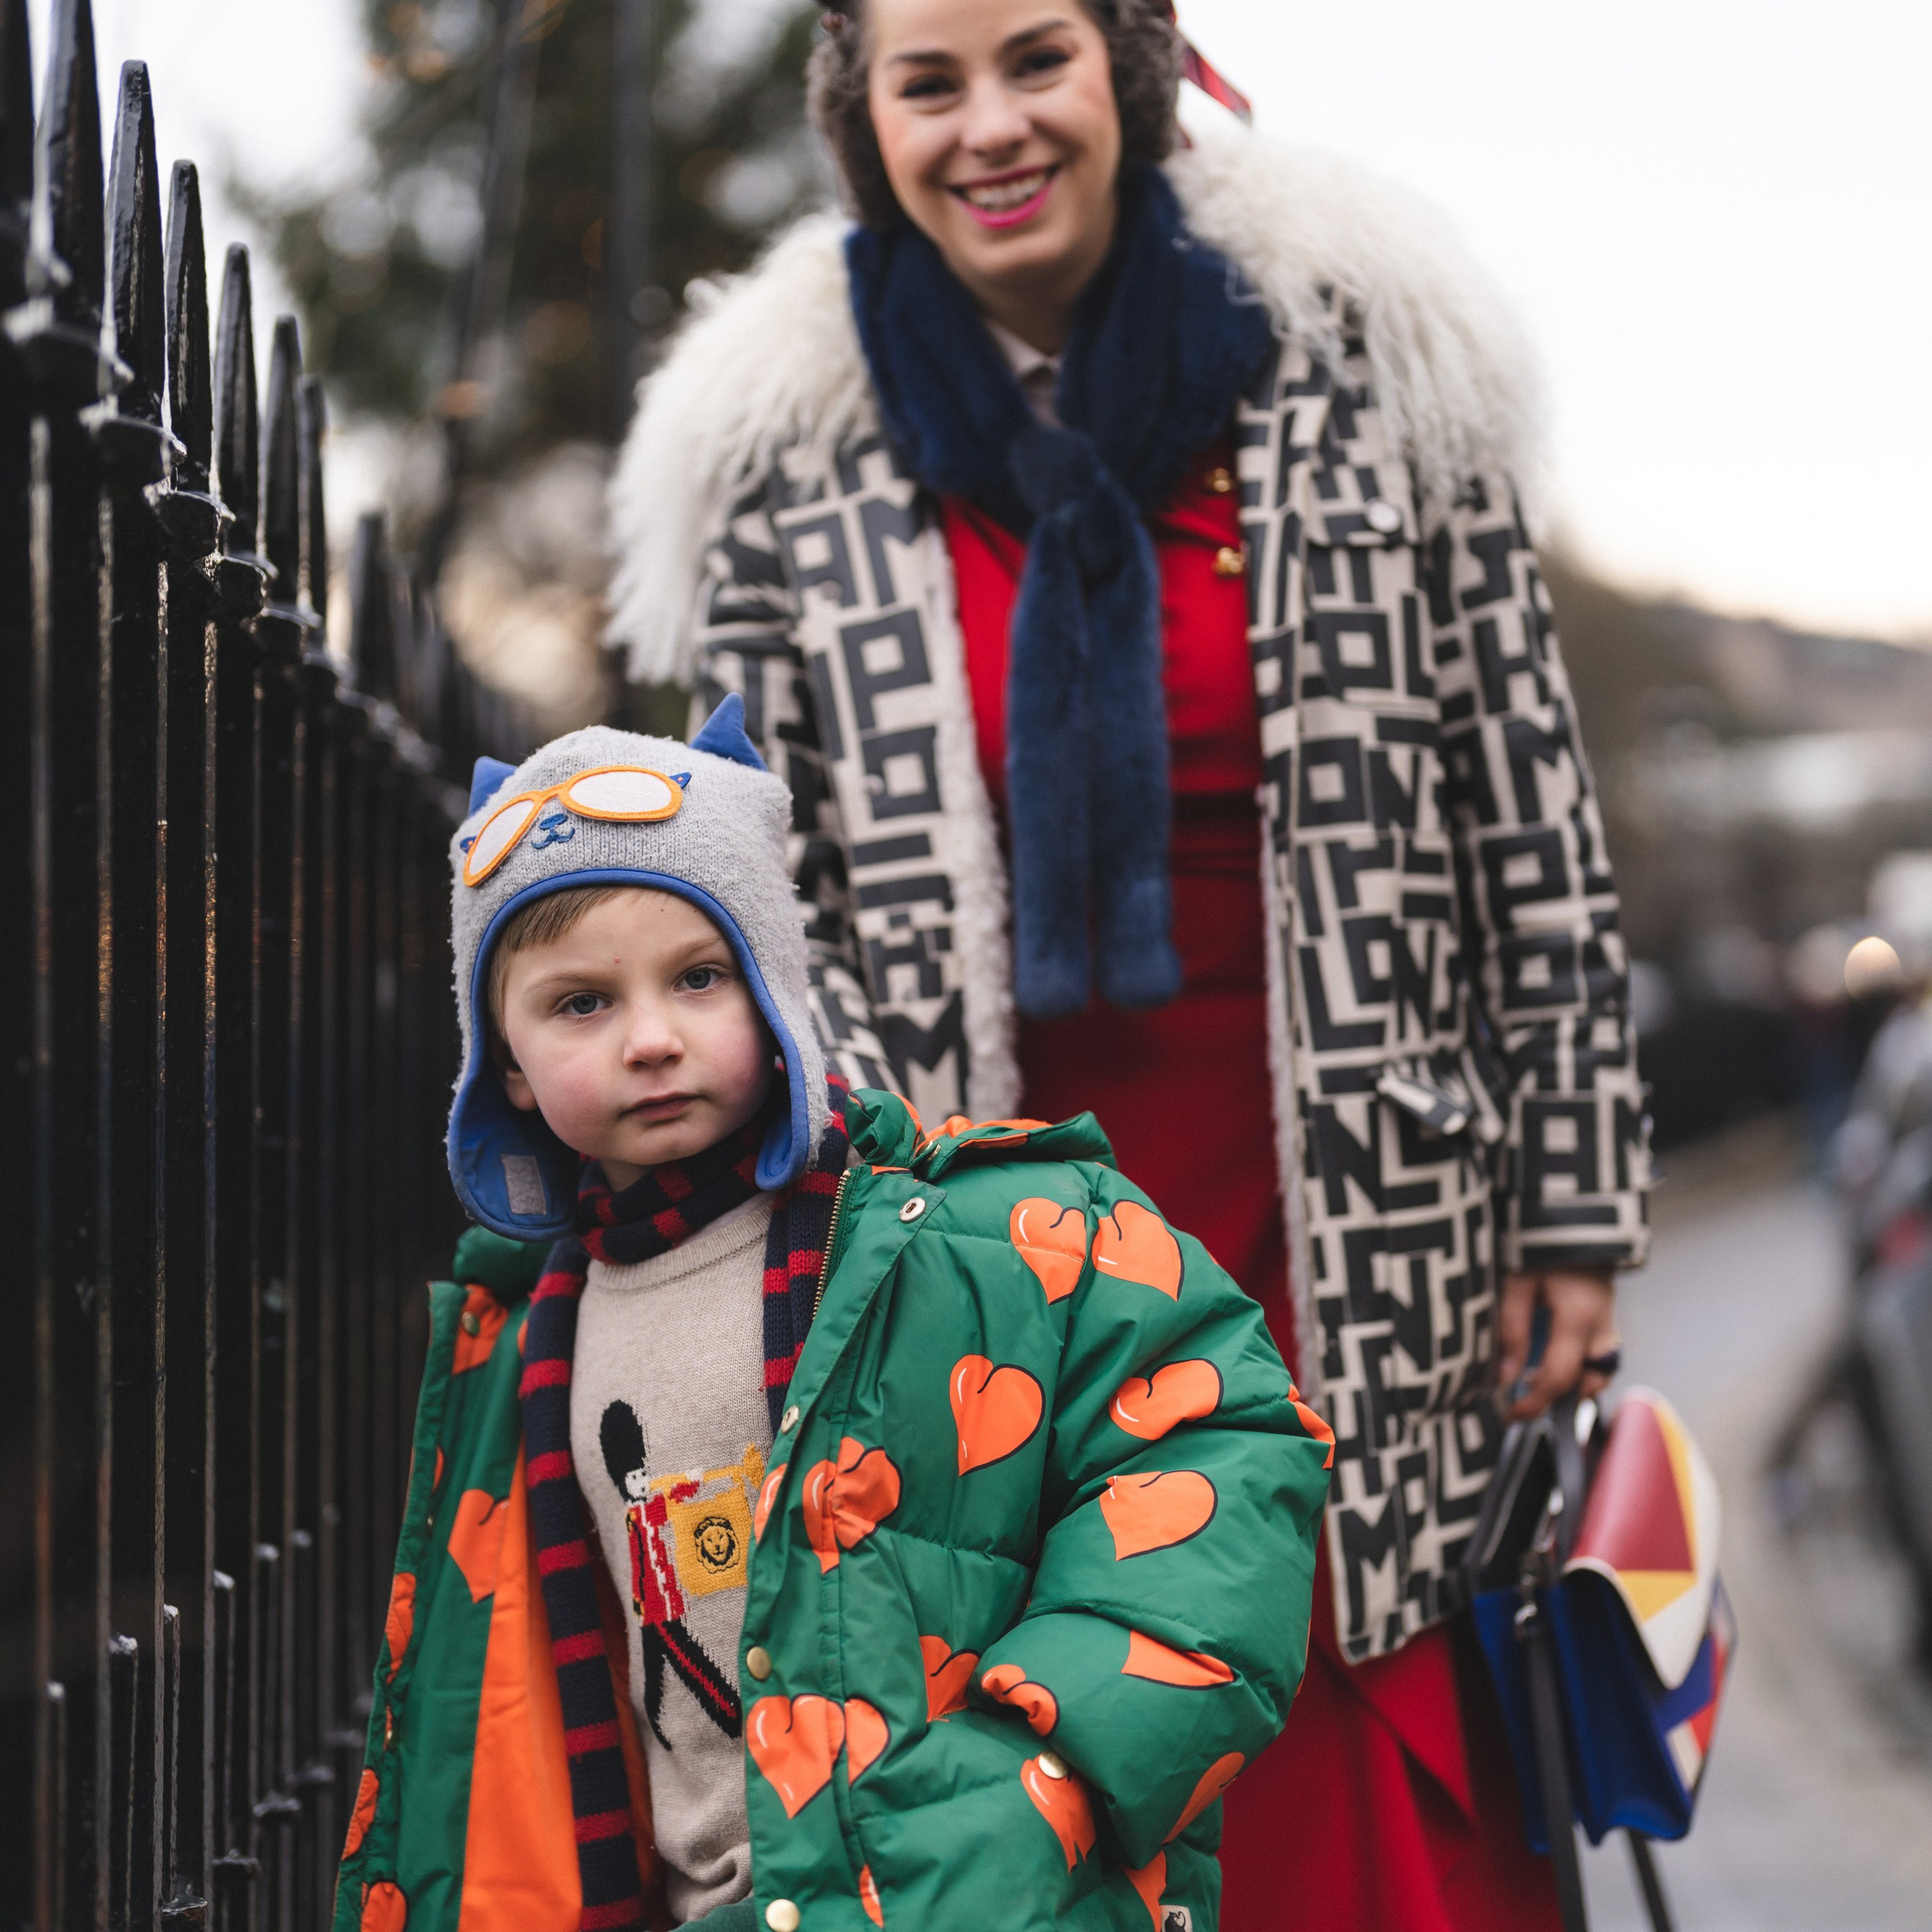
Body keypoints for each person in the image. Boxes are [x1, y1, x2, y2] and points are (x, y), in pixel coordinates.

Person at [605, 2, 1653, 1925]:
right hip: (991, 1256)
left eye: (1035, 60)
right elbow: (756, 908)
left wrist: (1569, 1211)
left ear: (1128, 78)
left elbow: (1532, 820)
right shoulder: (789, 470)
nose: (988, 126)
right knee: (1056, 1738)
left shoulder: (1364, 382)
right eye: (929, 83)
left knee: (1352, 1763)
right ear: (868, 121)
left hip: (1352, 1217)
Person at [333, 703, 1333, 1932]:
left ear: (776, 990)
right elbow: (475, 1736)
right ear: (511, 1067)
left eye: (700, 978)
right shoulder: (517, 1339)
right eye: (580, 1004)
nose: (651, 1039)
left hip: (978, 1900)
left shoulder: (995, 1233)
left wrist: (1045, 1777)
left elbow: (1224, 1448)